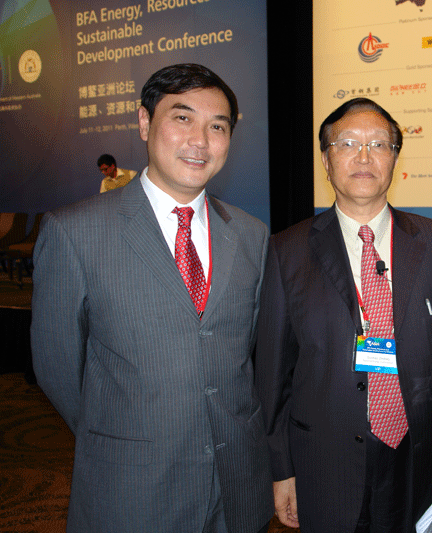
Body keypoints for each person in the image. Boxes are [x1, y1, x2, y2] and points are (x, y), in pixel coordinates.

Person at [31, 64, 272, 533]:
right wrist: (122, 436)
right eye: (182, 118)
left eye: (217, 126)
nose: (200, 140)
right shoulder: (75, 232)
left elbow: (247, 358)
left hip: (238, 487)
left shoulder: (251, 235)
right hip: (134, 490)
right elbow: (58, 370)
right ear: (144, 122)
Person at [255, 97, 432, 532]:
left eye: (379, 144)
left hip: (422, 456)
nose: (364, 157)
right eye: (347, 143)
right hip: (324, 462)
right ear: (325, 160)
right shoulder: (286, 251)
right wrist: (281, 469)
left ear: (395, 158)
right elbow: (273, 374)